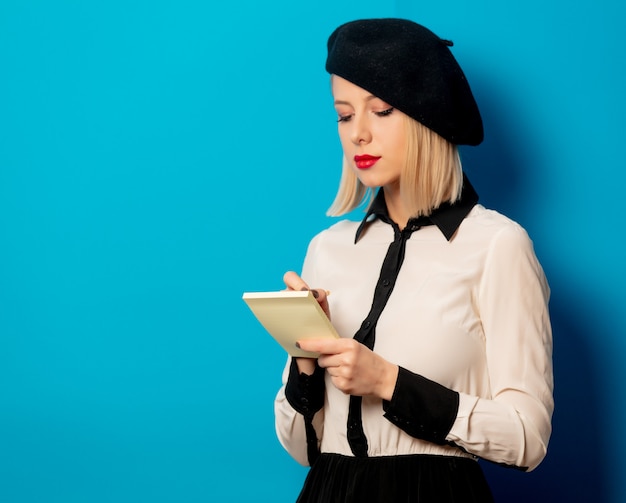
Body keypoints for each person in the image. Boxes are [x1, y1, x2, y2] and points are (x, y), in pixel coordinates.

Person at [274, 18, 553, 502]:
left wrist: (387, 381)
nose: (358, 134)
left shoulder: (497, 245)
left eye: (380, 110)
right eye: (344, 115)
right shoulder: (327, 248)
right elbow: (301, 448)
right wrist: (304, 364)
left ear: (428, 118)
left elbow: (527, 439)